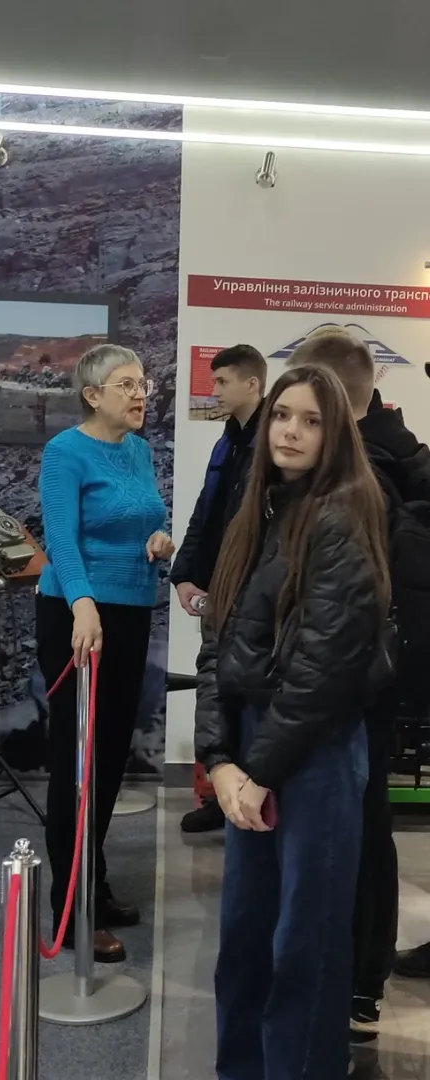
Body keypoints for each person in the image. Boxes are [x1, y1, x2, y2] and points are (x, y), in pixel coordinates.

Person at [196, 363, 390, 1080]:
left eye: (311, 420)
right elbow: (216, 645)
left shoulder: (342, 517)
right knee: (246, 940)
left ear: (335, 432)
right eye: (283, 415)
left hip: (314, 755)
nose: (291, 431)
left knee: (304, 948)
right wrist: (219, 759)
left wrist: (255, 772)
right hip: (253, 752)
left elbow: (324, 670)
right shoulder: (257, 513)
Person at [285, 328, 430, 1036]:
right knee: (367, 822)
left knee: (351, 825)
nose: (291, 428)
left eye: (305, 413)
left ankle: (347, 981)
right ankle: (359, 978)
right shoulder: (410, 458)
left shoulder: (363, 476)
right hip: (379, 678)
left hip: (347, 679)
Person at [37, 343, 175, 963]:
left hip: (130, 610)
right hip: (78, 617)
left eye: (143, 384)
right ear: (92, 395)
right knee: (78, 762)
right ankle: (70, 910)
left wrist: (157, 539)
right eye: (127, 385)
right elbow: (62, 541)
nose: (140, 394)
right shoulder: (64, 452)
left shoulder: (138, 450)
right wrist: (83, 603)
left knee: (112, 756)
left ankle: (92, 879)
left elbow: (138, 519)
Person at [171, 344, 267, 834]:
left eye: (223, 382)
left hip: (253, 595)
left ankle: (246, 796)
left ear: (252, 384)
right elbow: (204, 513)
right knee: (215, 688)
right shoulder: (226, 443)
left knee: (242, 690)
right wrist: (184, 574)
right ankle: (217, 791)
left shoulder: (271, 446)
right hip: (219, 589)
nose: (214, 391)